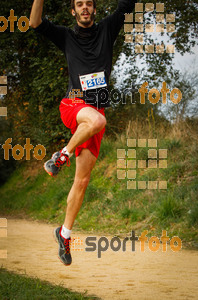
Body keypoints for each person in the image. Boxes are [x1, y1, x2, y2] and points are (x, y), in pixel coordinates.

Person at [30, 0, 134, 266]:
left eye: (89, 3)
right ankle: (61, 156)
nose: (85, 7)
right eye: (80, 4)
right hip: (74, 104)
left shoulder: (107, 30)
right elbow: (35, 23)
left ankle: (64, 234)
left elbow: (126, 5)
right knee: (99, 119)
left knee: (82, 181)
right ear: (73, 11)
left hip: (93, 117)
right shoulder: (66, 36)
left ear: (94, 9)